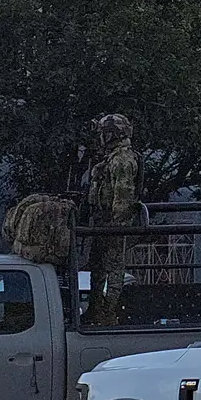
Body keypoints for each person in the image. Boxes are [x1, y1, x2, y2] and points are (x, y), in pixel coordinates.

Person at [85, 113, 140, 326]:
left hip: (113, 225)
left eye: (102, 133)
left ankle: (108, 312)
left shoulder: (122, 159)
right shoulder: (112, 158)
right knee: (97, 268)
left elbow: (123, 198)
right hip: (103, 223)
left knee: (113, 270)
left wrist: (117, 228)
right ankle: (96, 310)